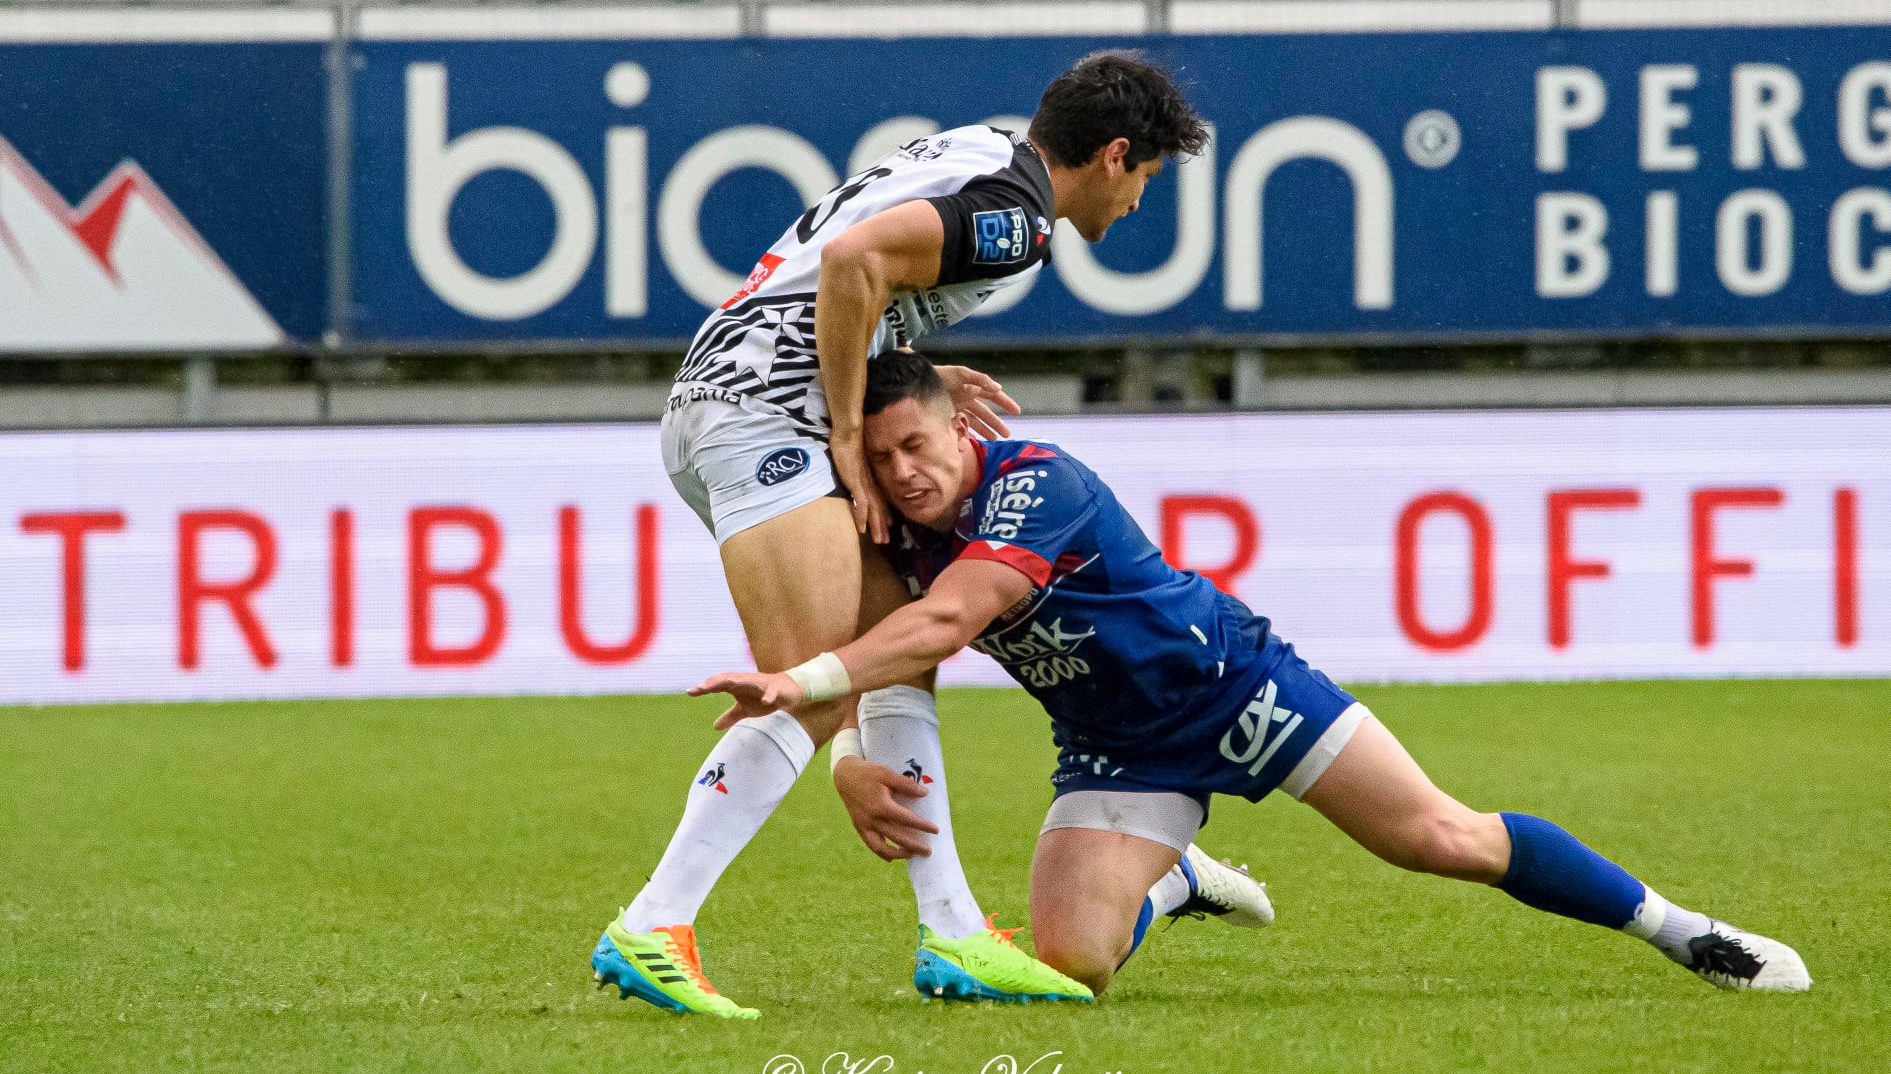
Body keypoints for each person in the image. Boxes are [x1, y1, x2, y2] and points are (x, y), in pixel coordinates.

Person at [691, 352, 1813, 998]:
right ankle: (1172, 879)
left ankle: (1684, 931)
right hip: (1114, 747)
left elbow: (947, 622)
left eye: (914, 448)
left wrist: (800, 684)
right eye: (876, 456)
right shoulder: (888, 525)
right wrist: (845, 746)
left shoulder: (1038, 480)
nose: (900, 473)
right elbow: (901, 670)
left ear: (959, 427)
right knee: (1070, 968)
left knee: (1440, 839)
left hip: (1236, 694)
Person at [591, 52, 1213, 1018]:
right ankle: (653, 923)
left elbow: (844, 268)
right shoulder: (1020, 221)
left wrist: (907, 364)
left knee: (888, 661)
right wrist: (846, 428)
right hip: (765, 414)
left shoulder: (984, 151)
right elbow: (851, 263)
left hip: (729, 398)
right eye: (1145, 179)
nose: (1138, 204)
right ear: (1115, 154)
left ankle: (953, 932)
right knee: (801, 686)